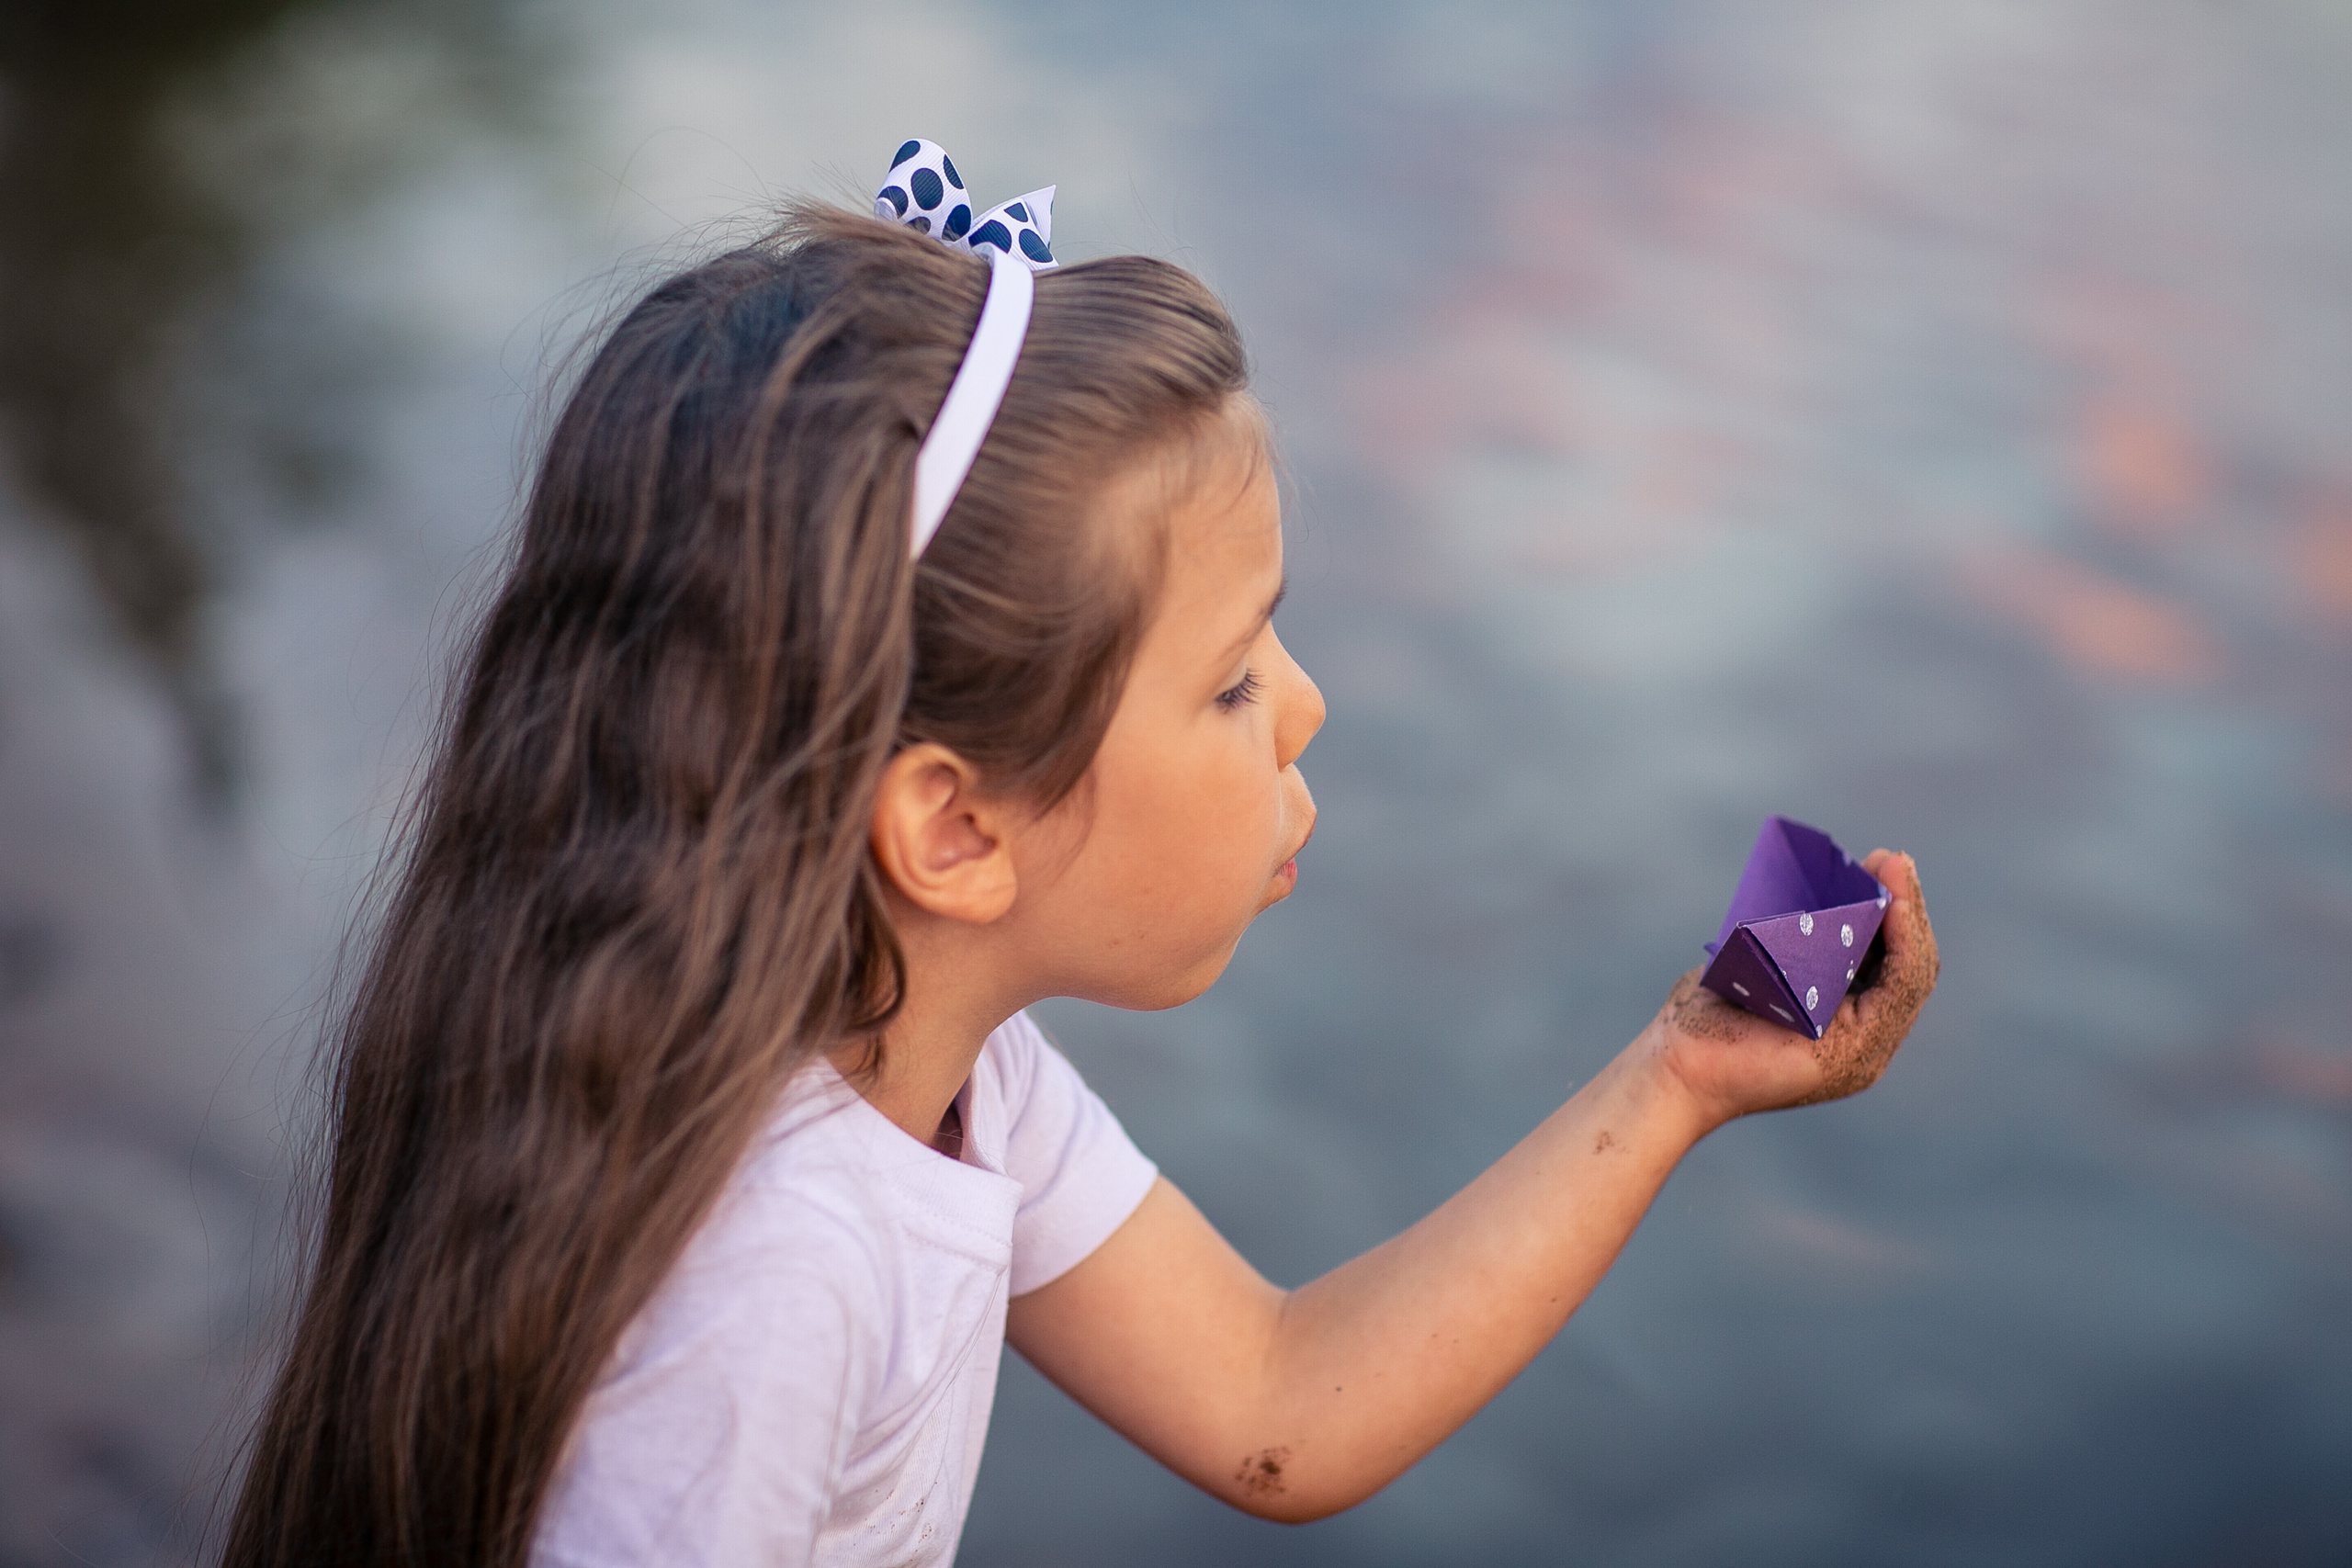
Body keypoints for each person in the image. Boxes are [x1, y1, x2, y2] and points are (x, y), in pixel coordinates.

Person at [221, 141, 1939, 1568]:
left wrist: (1681, 1079)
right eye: (1230, 675)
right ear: (957, 828)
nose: (1309, 709)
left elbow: (1276, 1404)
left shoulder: (927, 1055)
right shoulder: (764, 1280)